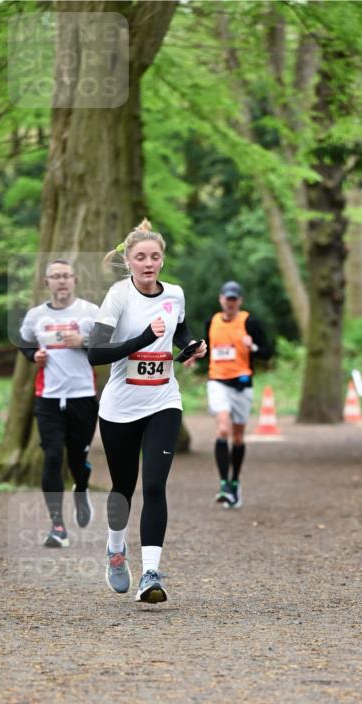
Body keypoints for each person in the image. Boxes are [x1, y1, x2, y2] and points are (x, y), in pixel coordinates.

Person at [88, 219, 206, 603]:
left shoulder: (175, 294)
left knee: (155, 485)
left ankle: (150, 574)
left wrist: (191, 347)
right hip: (120, 406)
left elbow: (180, 331)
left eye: (155, 256)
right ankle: (115, 549)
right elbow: (95, 353)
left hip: (163, 401)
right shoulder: (119, 296)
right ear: (128, 260)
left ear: (162, 260)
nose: (149, 262)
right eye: (141, 257)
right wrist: (143, 338)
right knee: (123, 488)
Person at [19, 259, 99, 547]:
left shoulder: (90, 312)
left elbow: (109, 344)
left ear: (75, 280)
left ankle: (82, 487)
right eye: (55, 276)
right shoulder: (36, 316)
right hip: (49, 399)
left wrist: (85, 341)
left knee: (77, 460)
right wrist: (33, 357)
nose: (61, 281)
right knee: (53, 456)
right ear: (46, 283)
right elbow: (25, 342)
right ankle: (58, 527)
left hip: (83, 397)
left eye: (66, 276)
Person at [202, 281, 271, 508]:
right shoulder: (211, 322)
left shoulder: (249, 322)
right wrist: (193, 356)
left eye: (234, 299)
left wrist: (253, 348)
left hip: (242, 384)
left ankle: (234, 482)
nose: (230, 303)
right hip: (218, 381)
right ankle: (223, 484)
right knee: (223, 429)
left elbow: (268, 352)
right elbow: (208, 352)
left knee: (238, 437)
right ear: (221, 299)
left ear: (239, 301)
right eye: (227, 299)